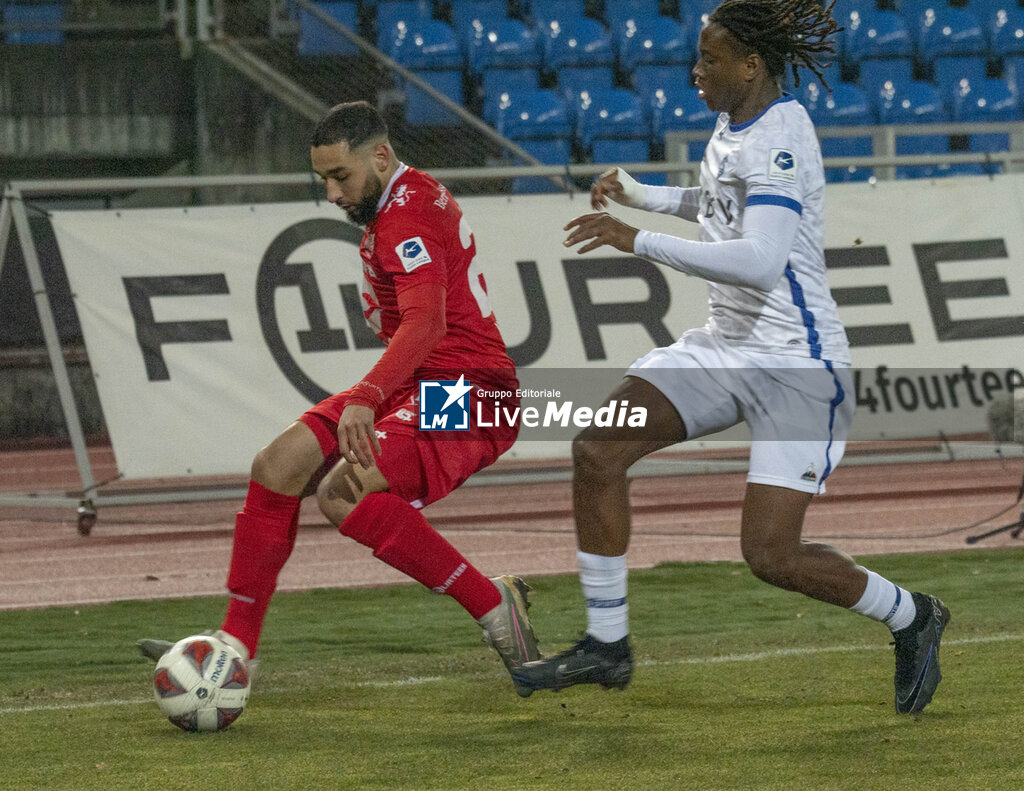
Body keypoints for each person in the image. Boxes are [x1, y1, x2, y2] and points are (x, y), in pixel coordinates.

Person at [512, 0, 950, 714]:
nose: (695, 70)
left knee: (772, 556)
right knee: (597, 448)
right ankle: (608, 643)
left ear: (752, 65)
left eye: (710, 59)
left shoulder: (782, 136)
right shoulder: (733, 123)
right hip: (727, 345)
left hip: (795, 366)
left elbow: (759, 259)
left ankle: (912, 614)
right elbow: (719, 203)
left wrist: (636, 238)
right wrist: (644, 196)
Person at [139, 101, 539, 684]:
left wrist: (369, 394)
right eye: (323, 179)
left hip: (473, 392)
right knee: (278, 464)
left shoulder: (407, 211)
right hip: (422, 384)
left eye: (340, 177)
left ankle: (491, 607)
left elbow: (426, 323)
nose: (331, 193)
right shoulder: (398, 206)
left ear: (380, 156)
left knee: (342, 493)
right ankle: (235, 644)